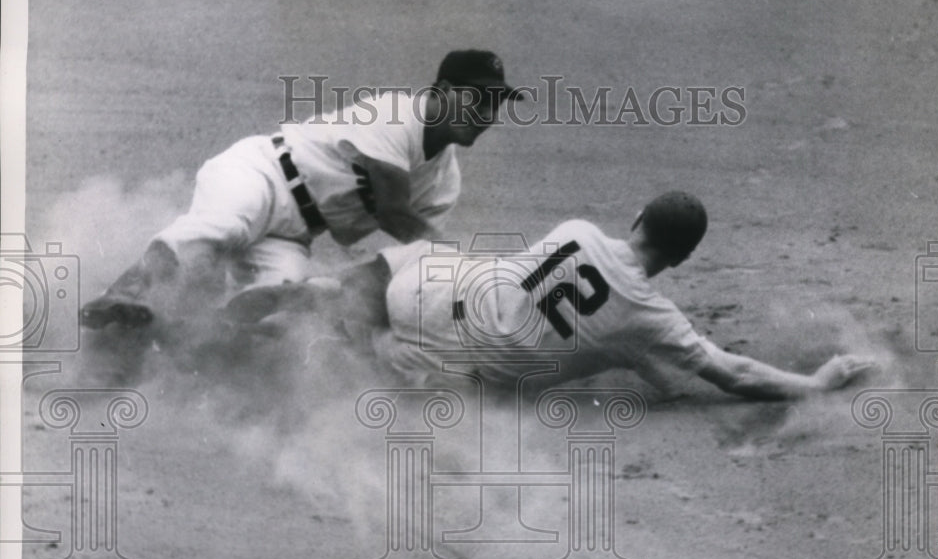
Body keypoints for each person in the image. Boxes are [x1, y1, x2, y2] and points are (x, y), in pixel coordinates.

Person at [79, 49, 523, 331]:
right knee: (225, 225)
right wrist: (470, 267)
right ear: (443, 91)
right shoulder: (394, 115)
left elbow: (412, 258)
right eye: (477, 98)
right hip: (263, 174)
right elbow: (393, 212)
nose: (486, 112)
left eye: (495, 104)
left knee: (277, 313)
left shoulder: (446, 183)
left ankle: (181, 340)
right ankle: (126, 292)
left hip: (293, 235)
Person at [367, 191, 875, 400]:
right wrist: (814, 383)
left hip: (422, 298)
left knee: (428, 257)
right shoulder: (651, 320)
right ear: (680, 259)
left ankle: (318, 295)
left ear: (636, 220)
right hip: (440, 373)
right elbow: (736, 374)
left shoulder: (577, 229)